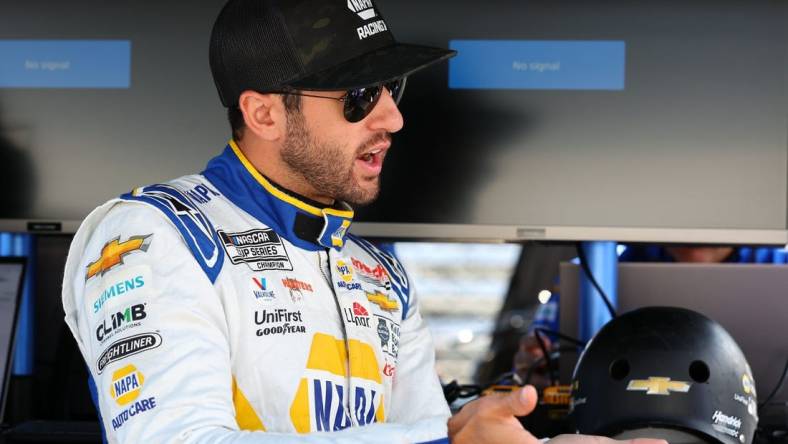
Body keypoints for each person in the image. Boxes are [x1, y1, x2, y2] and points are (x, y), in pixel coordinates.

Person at [61, 0, 670, 443]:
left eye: (391, 86)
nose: (392, 118)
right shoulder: (149, 236)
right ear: (264, 114)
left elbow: (428, 435)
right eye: (357, 97)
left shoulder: (379, 273)